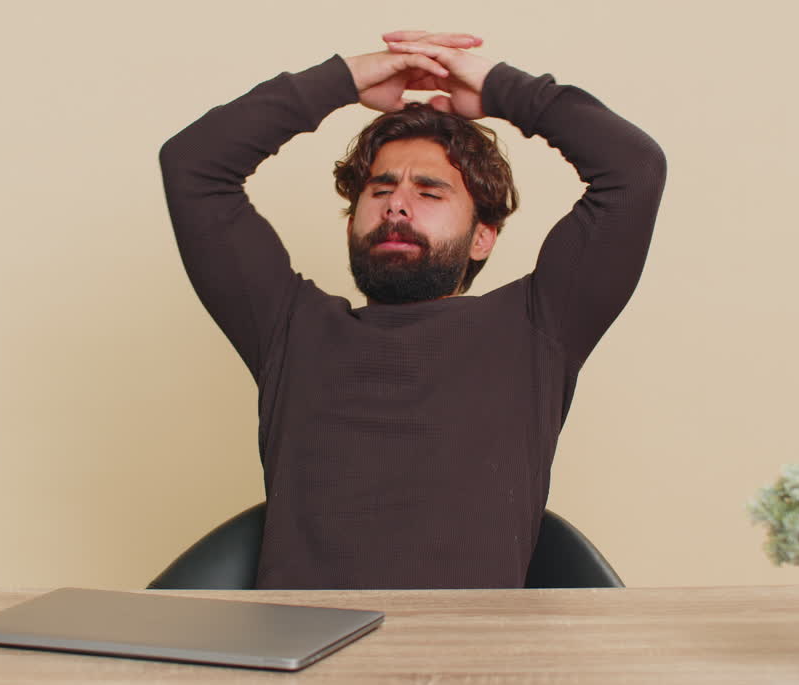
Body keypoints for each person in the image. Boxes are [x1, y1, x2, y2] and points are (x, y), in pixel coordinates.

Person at [160, 31, 666, 589]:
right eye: (378, 191)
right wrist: (344, 81)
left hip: (471, 662)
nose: (397, 203)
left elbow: (633, 169)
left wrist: (502, 90)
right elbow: (193, 166)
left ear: (483, 238)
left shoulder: (538, 327)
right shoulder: (289, 329)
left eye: (430, 192)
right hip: (301, 660)